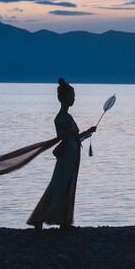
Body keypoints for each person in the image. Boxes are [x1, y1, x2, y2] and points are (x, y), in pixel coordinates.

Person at [27, 78, 95, 230]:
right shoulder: (62, 117)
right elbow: (68, 137)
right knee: (59, 186)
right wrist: (82, 135)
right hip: (67, 156)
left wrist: (88, 132)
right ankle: (44, 219)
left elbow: (73, 138)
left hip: (71, 155)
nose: (74, 99)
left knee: (64, 185)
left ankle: (62, 221)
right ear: (65, 98)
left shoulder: (65, 117)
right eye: (72, 96)